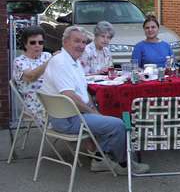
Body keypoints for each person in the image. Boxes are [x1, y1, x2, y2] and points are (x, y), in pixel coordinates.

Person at [41, 26, 149, 175]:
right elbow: (69, 95)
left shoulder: (74, 61)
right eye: (76, 41)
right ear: (65, 42)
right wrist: (94, 112)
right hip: (67, 119)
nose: (81, 45)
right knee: (118, 124)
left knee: (108, 113)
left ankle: (99, 160)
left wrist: (95, 110)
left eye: (84, 42)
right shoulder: (61, 62)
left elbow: (83, 91)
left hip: (73, 113)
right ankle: (125, 165)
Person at [13, 26, 52, 125]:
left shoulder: (47, 56)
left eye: (40, 42)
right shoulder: (19, 62)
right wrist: (50, 61)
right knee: (69, 110)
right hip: (35, 103)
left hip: (53, 96)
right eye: (33, 42)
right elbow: (31, 77)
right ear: (25, 44)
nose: (37, 45)